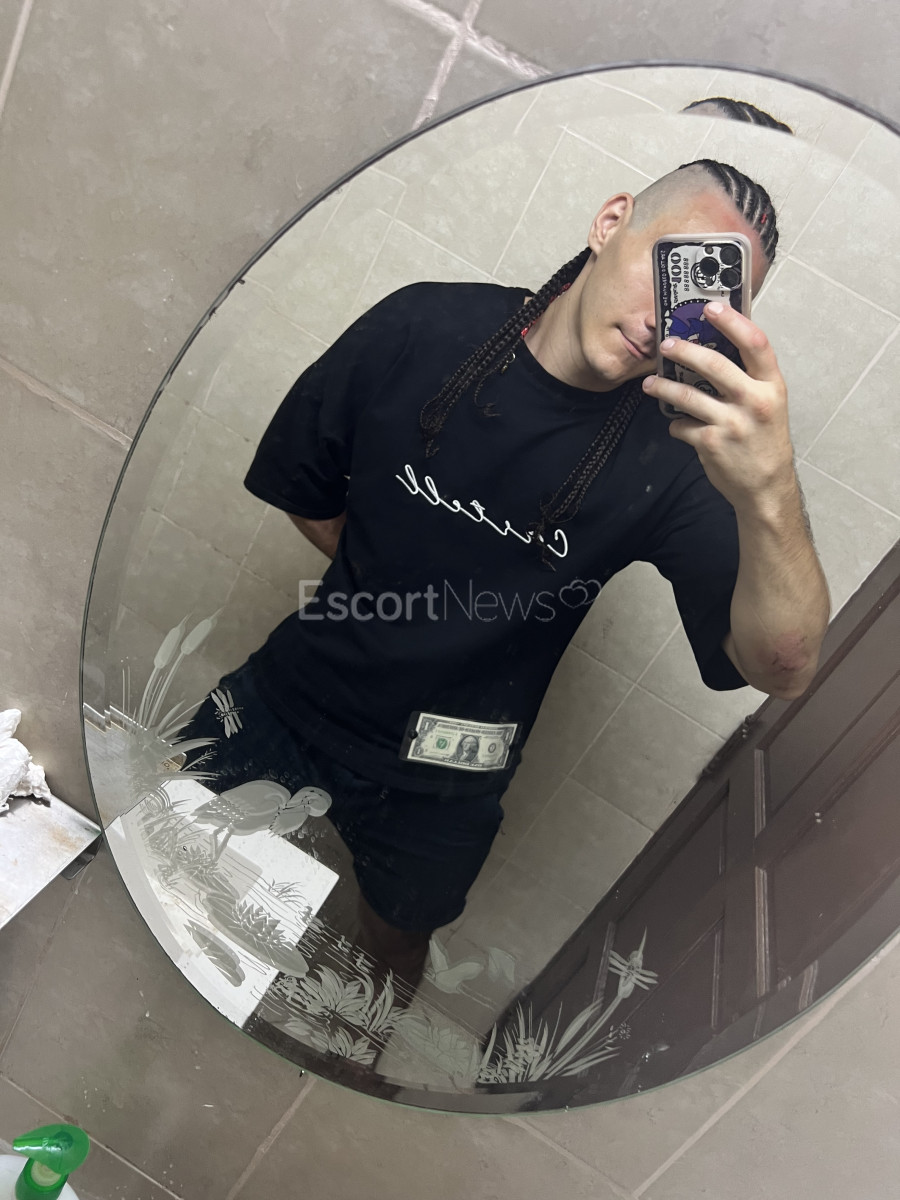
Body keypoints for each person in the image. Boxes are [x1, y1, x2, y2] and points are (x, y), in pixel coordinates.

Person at [178, 152, 830, 990]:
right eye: (667, 267)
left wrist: (770, 486)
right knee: (171, 850)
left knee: (392, 951)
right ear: (610, 223)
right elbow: (305, 489)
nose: (661, 319)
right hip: (296, 689)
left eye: (705, 303)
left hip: (448, 779)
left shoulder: (679, 454)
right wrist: (405, 589)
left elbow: (786, 666)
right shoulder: (424, 326)